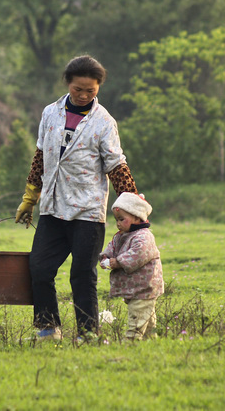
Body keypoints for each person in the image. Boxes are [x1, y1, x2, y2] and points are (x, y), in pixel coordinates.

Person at [15, 55, 139, 342]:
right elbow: (40, 157)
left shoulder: (104, 122)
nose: (83, 96)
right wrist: (29, 197)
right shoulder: (50, 113)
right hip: (52, 208)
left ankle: (87, 333)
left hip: (87, 211)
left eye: (90, 91)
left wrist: (132, 204)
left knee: (82, 275)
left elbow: (116, 166)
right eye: (78, 90)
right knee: (40, 268)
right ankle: (48, 329)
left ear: (99, 88)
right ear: (67, 85)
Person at [100, 192, 164, 341]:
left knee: (137, 317)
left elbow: (138, 254)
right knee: (148, 321)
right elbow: (112, 247)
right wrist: (106, 257)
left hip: (144, 288)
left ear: (137, 217)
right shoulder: (121, 236)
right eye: (117, 219)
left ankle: (131, 342)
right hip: (135, 288)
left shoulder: (144, 236)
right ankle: (152, 341)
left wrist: (117, 262)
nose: (118, 223)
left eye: (122, 219)